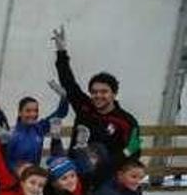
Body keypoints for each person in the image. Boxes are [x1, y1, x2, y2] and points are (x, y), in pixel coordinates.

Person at [52, 25, 141, 179]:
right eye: (94, 92)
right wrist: (61, 52)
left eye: (104, 92)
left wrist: (113, 172)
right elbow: (68, 82)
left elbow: (132, 154)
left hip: (106, 180)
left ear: (114, 94)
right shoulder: (84, 107)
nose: (98, 96)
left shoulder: (126, 121)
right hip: (76, 177)